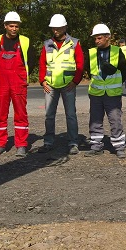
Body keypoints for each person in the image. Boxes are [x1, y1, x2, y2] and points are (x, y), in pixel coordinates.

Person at [38, 14, 84, 155]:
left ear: (64, 27)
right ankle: (48, 142)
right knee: (49, 115)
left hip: (68, 85)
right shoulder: (47, 44)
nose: (55, 30)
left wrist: (75, 81)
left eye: (58, 28)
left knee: (71, 115)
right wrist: (42, 81)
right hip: (50, 85)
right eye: (53, 28)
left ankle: (73, 143)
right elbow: (42, 64)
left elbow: (80, 64)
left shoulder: (74, 43)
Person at [84, 24, 126, 159]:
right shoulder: (91, 52)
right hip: (96, 94)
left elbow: (124, 72)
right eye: (95, 39)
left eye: (99, 38)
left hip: (112, 95)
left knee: (115, 120)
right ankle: (96, 146)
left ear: (107, 37)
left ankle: (119, 146)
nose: (96, 41)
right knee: (95, 121)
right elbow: (88, 70)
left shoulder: (117, 51)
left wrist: (114, 84)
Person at [0, 11, 30, 158]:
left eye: (16, 26)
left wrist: (21, 76)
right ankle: (0, 144)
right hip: (1, 81)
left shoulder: (25, 41)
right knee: (0, 113)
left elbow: (30, 61)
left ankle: (21, 145)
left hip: (18, 81)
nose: (14, 29)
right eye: (11, 26)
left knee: (21, 113)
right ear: (5, 26)